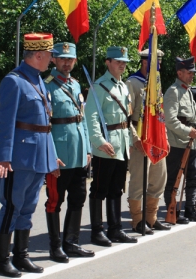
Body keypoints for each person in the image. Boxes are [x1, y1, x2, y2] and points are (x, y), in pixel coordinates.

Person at [0, 33, 62, 278]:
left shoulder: (38, 80)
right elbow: (5, 122)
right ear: (38, 55)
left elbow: (45, 124)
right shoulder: (14, 81)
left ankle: (21, 256)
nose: (52, 60)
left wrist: (51, 156)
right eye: (50, 55)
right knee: (12, 206)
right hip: (19, 157)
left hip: (38, 156)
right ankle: (2, 260)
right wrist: (3, 157)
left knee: (28, 207)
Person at [43, 42, 95, 262]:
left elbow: (80, 119)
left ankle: (71, 243)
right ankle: (55, 247)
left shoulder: (74, 85)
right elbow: (44, 125)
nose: (66, 62)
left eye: (70, 59)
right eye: (62, 58)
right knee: (55, 200)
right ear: (53, 59)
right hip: (60, 154)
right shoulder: (47, 85)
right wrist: (49, 155)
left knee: (78, 197)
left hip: (78, 152)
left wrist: (88, 149)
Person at [84, 46, 137, 246]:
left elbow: (127, 117)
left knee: (116, 189)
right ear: (108, 62)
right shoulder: (99, 86)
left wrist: (130, 141)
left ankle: (115, 229)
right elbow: (92, 117)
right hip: (106, 146)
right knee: (99, 190)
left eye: (124, 62)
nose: (122, 65)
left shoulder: (124, 86)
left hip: (121, 144)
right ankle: (97, 231)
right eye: (118, 61)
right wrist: (98, 142)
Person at [125, 49, 170, 234]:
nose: (158, 66)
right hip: (140, 138)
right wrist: (135, 139)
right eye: (154, 62)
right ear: (145, 63)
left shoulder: (156, 84)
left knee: (159, 178)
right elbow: (126, 116)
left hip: (156, 139)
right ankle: (137, 220)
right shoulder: (132, 83)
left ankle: (151, 217)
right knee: (138, 181)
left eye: (159, 62)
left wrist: (163, 137)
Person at [163, 57, 196, 223]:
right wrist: (188, 131)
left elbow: (194, 116)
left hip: (191, 141)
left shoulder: (188, 90)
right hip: (177, 142)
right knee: (174, 178)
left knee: (195, 175)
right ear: (179, 73)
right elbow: (171, 120)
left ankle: (190, 210)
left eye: (192, 73)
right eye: (189, 73)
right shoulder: (173, 92)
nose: (192, 75)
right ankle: (173, 211)